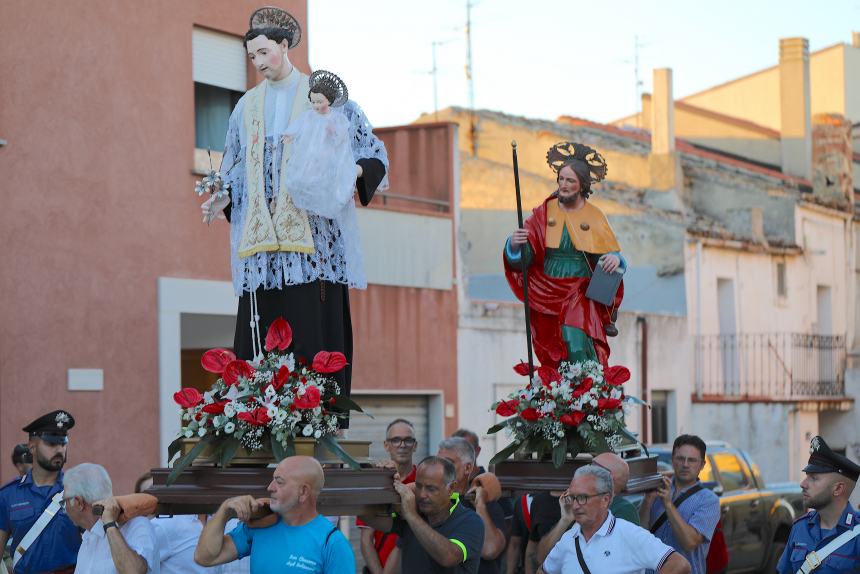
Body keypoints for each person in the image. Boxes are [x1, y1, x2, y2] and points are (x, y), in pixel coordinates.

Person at [200, 7, 388, 408]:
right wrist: (225, 196)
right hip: (263, 248)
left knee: (310, 334)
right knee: (260, 335)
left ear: (284, 47)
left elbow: (373, 154)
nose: (258, 63)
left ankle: (315, 415)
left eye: (264, 53)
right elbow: (234, 166)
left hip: (313, 247)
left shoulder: (324, 98)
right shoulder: (245, 107)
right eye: (251, 57)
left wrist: (352, 170)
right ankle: (259, 413)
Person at [504, 142, 625, 368]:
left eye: (570, 181)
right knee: (552, 347)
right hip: (546, 287)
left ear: (582, 186)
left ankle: (588, 392)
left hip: (579, 290)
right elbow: (526, 255)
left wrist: (616, 259)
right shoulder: (544, 211)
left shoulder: (594, 216)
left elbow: (610, 254)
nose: (564, 185)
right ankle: (562, 394)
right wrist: (515, 245)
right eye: (561, 179)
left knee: (575, 340)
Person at [194, 455, 354, 573]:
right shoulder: (261, 525)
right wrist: (225, 512)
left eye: (279, 481)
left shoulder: (333, 543)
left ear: (303, 491)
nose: (270, 487)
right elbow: (205, 558)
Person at [539, 465, 690, 574]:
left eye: (583, 497)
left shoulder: (629, 534)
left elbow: (679, 564)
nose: (576, 505)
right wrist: (564, 520)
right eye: (572, 497)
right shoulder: (569, 538)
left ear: (605, 500)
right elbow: (543, 569)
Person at [358, 456, 485, 574]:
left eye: (431, 488)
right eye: (419, 486)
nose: (422, 495)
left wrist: (411, 515)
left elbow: (448, 557)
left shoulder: (470, 521)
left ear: (451, 488)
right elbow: (367, 516)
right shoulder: (414, 512)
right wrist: (380, 480)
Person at [0, 410, 81, 573]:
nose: (59, 449)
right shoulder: (8, 495)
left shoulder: (79, 491)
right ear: (32, 447)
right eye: (51, 443)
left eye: (63, 443)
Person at [532, 452, 639, 569]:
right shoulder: (578, 505)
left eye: (592, 466)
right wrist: (565, 521)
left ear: (607, 476)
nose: (586, 469)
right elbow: (542, 558)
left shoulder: (624, 510)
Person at [777, 435, 860, 574]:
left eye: (814, 478)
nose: (803, 484)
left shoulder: (857, 534)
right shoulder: (799, 528)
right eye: (806, 477)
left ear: (838, 489)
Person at [640, 435, 720, 574]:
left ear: (702, 465)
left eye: (692, 460)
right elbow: (640, 534)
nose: (685, 464)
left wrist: (668, 504)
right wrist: (647, 501)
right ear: (672, 460)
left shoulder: (708, 500)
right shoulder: (659, 488)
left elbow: (689, 543)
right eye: (680, 458)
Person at [63, 463, 160, 573]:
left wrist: (109, 524)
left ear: (78, 502)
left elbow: (134, 571)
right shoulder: (88, 538)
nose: (64, 508)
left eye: (64, 502)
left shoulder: (138, 525)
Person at [357, 419, 419, 574]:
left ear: (415, 445)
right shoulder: (376, 482)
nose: (402, 445)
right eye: (396, 440)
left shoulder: (424, 481)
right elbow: (366, 540)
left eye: (408, 440)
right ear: (386, 445)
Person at [437, 438, 506, 574]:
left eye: (448, 463)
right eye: (438, 463)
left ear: (467, 468)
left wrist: (480, 506)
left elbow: (490, 550)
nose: (441, 469)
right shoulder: (430, 503)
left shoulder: (488, 505)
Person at [134, 472, 211, 574]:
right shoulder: (162, 525)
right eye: (148, 494)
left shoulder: (223, 521)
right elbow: (134, 568)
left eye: (159, 493)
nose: (155, 500)